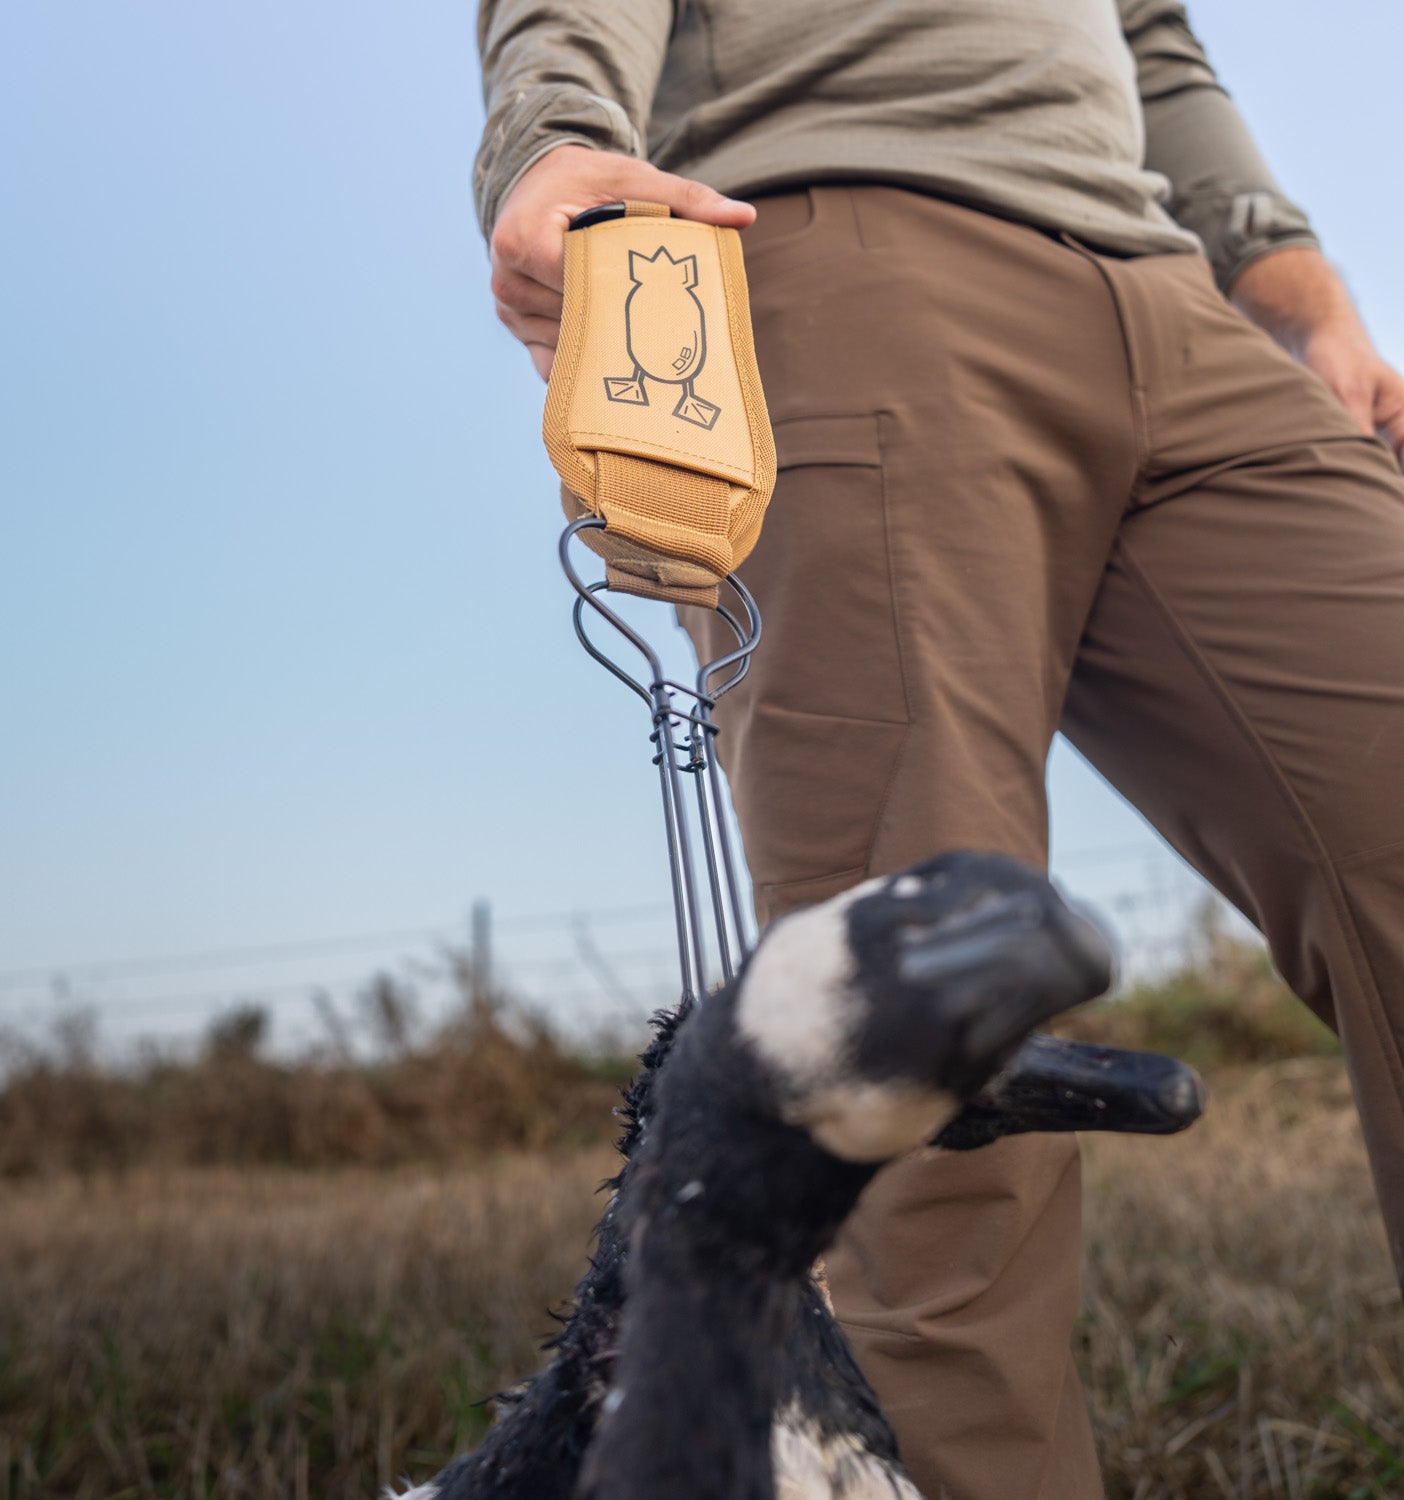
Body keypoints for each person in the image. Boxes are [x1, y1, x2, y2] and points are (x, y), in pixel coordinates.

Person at [473, 4, 1404, 1497]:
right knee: (926, 1078)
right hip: (850, 259)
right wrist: (557, 136)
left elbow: (1153, 39)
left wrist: (1300, 293)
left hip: (1178, 303)